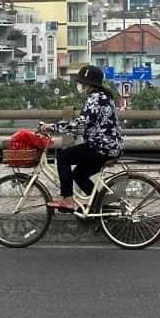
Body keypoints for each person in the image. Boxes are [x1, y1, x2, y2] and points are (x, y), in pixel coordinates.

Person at [42, 64, 122, 213]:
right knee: (79, 175)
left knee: (63, 157)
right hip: (110, 146)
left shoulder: (95, 98)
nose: (81, 85)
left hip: (101, 147)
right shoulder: (105, 96)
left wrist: (52, 128)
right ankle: (100, 207)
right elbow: (85, 125)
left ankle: (67, 199)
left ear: (90, 83)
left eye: (83, 82)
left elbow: (80, 125)